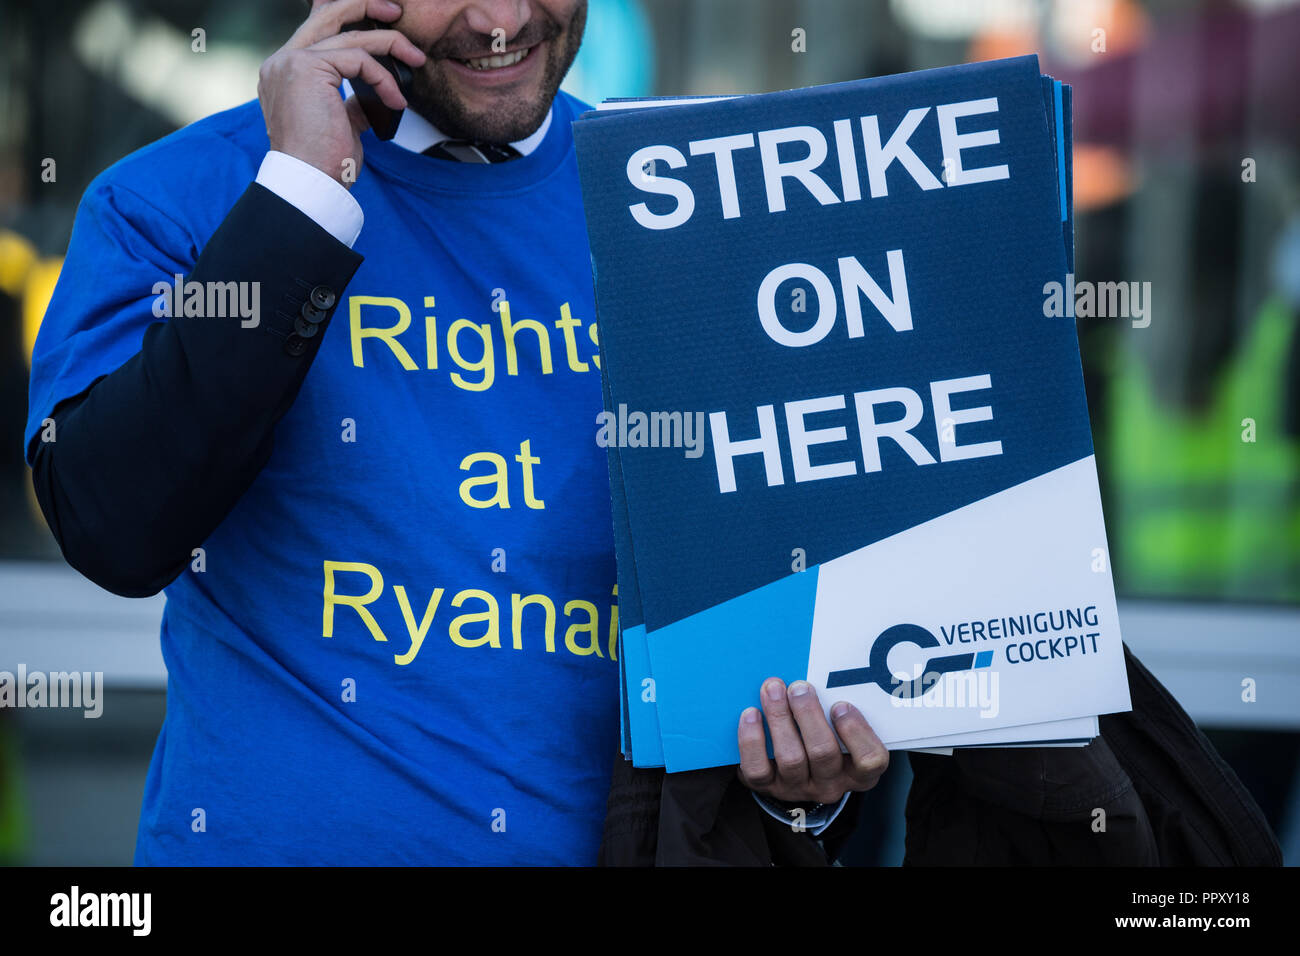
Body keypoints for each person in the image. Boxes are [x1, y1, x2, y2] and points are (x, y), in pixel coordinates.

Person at [24, 0, 887, 865]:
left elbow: (760, 643)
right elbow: (113, 529)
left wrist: (794, 797)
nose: (503, 18)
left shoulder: (682, 212)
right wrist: (301, 198)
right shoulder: (176, 197)